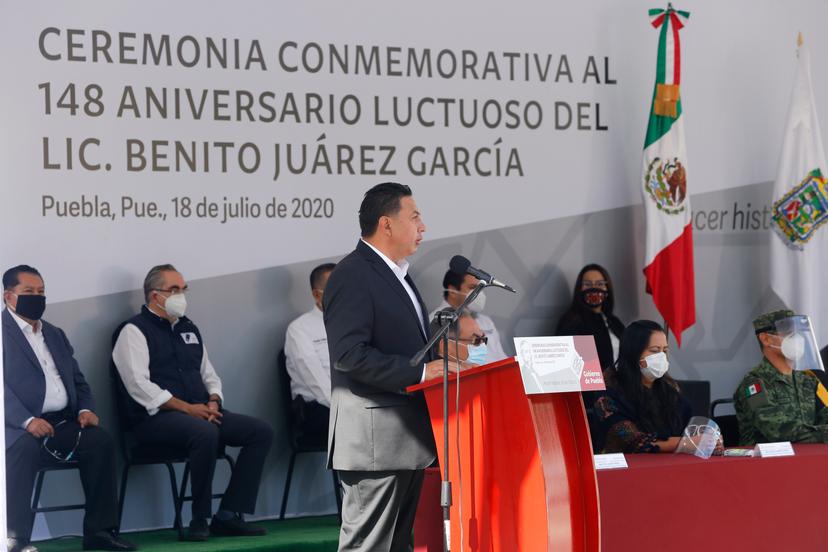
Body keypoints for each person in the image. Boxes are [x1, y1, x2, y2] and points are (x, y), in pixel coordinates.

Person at [323, 182, 461, 552]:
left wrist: (437, 360)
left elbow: (401, 346)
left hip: (404, 441)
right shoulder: (353, 274)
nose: (423, 226)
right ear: (386, 224)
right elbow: (349, 354)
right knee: (367, 546)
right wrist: (419, 373)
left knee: (397, 545)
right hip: (374, 443)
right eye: (415, 216)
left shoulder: (396, 273)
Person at [111, 264, 273, 542]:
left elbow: (209, 374)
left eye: (183, 289)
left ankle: (228, 514)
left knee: (260, 431)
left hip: (200, 412)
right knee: (205, 432)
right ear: (154, 296)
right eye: (174, 289)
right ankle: (200, 518)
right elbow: (139, 385)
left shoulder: (189, 328)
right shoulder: (133, 331)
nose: (181, 295)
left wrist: (213, 400)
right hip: (154, 421)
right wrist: (188, 409)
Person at [3, 265, 136, 552]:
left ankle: (100, 532)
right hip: (16, 426)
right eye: (28, 292)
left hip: (62, 422)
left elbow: (78, 381)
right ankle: (15, 538)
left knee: (99, 441)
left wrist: (85, 409)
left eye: (41, 292)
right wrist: (26, 420)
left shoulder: (54, 333)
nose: (37, 297)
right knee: (21, 449)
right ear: (8, 297)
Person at [594, 320, 692, 453]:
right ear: (634, 353)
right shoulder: (608, 391)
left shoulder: (670, 389)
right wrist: (685, 443)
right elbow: (632, 441)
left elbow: (690, 427)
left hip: (671, 466)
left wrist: (705, 438)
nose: (662, 357)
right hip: (627, 469)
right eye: (654, 351)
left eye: (665, 350)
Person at [733, 309, 828, 445]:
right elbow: (778, 431)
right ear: (765, 339)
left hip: (806, 458)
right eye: (788, 332)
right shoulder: (754, 383)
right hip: (765, 462)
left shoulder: (807, 380)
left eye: (797, 332)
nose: (797, 338)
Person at [284, 262, 335, 447]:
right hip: (317, 409)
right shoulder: (299, 329)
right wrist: (347, 408)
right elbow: (315, 380)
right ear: (316, 294)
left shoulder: (354, 322)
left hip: (354, 400)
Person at [556, 263, 624, 372]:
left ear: (607, 288)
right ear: (579, 288)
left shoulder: (614, 321)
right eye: (587, 284)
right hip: (596, 386)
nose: (594, 288)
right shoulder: (571, 322)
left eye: (600, 284)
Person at [430, 268, 507, 364]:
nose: (479, 294)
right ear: (453, 291)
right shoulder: (437, 321)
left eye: (481, 288)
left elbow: (502, 358)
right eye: (473, 287)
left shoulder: (486, 321)